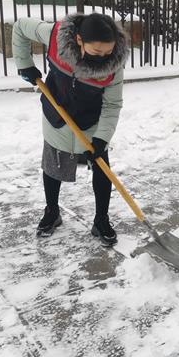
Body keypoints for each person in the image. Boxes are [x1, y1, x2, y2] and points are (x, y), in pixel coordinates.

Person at [13, 13, 128, 246]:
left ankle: (101, 219)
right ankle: (52, 212)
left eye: (108, 52)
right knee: (52, 165)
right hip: (56, 114)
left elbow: (112, 104)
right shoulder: (55, 36)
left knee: (102, 169)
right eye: (97, 52)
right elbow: (20, 27)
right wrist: (25, 64)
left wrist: (100, 139)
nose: (104, 58)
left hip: (90, 122)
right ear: (78, 40)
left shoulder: (114, 66)